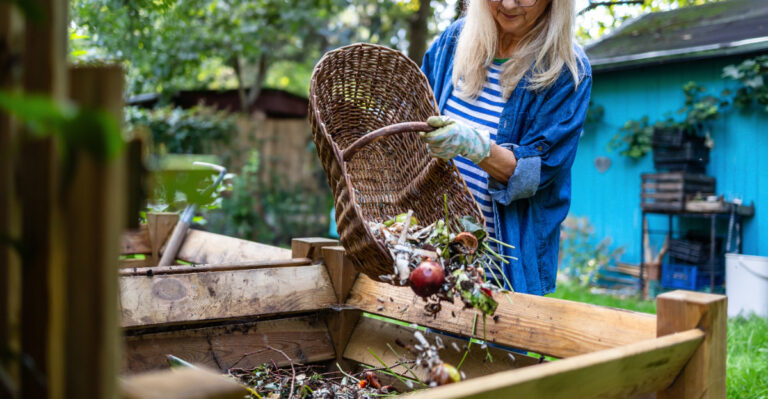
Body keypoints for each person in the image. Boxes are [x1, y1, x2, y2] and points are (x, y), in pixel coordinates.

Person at [419, 0, 591, 295]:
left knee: (498, 338)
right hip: (434, 256)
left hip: (504, 268)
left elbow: (535, 175)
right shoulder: (453, 42)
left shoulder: (566, 71)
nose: (509, 4)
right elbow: (416, 114)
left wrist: (474, 145)